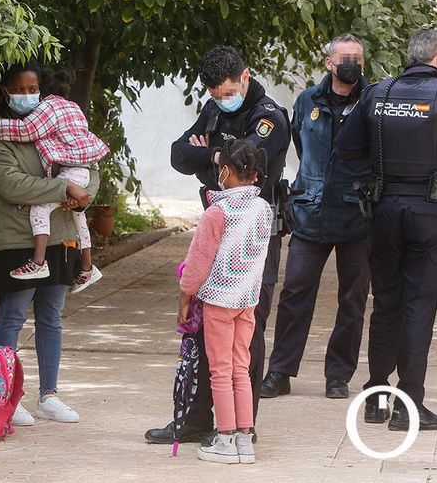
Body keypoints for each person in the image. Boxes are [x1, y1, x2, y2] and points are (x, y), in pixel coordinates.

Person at [146, 45, 290, 445]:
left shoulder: (270, 118)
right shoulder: (214, 109)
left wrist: (206, 157)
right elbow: (179, 155)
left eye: (228, 92)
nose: (223, 100)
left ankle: (243, 426)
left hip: (254, 237)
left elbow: (243, 167)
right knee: (204, 326)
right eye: (215, 94)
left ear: (245, 77)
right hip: (218, 227)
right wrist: (215, 155)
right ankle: (195, 419)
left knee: (247, 333)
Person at [335, 28, 437, 432]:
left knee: (386, 302)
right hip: (431, 212)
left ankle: (376, 397)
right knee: (418, 306)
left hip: (384, 209)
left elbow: (346, 148)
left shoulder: (377, 93)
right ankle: (409, 405)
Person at [0, 62, 98, 426]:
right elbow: (13, 185)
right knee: (13, 316)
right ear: (4, 91)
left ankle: (49, 395)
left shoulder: (52, 124)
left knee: (51, 318)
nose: (27, 96)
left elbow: (88, 164)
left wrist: (84, 195)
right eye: (19, 89)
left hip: (60, 234)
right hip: (16, 237)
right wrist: (64, 187)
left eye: (33, 90)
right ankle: (4, 396)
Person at [261, 34, 373, 400]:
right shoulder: (307, 100)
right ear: (329, 63)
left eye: (358, 58)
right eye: (346, 58)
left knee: (353, 300)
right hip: (311, 212)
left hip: (357, 217)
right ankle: (280, 372)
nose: (353, 64)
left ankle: (338, 376)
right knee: (294, 293)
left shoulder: (373, 101)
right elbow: (301, 144)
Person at [179, 139, 273, 464]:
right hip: (247, 301)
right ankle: (245, 440)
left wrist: (185, 295)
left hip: (219, 301)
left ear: (227, 171)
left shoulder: (217, 212)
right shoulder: (263, 210)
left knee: (220, 371)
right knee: (240, 368)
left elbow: (197, 263)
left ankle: (224, 439)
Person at [0, 69, 108, 293]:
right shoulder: (73, 107)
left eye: (33, 90)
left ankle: (38, 262)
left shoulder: (48, 106)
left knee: (39, 209)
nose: (29, 96)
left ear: (42, 92)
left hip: (71, 172)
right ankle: (88, 267)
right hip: (84, 170)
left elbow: (28, 130)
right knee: (79, 218)